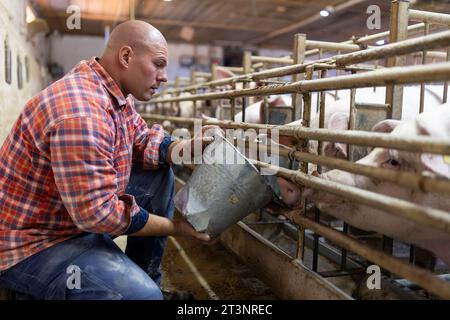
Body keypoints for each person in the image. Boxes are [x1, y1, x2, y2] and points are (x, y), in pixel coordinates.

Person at [0, 20, 218, 300]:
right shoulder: (83, 113)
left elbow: (141, 138)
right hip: (34, 243)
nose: (164, 76)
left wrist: (187, 147)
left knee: (158, 173)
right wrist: (177, 228)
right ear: (126, 57)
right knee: (143, 297)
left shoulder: (110, 91)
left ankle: (145, 276)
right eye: (159, 63)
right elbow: (99, 214)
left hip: (65, 218)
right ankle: (32, 290)